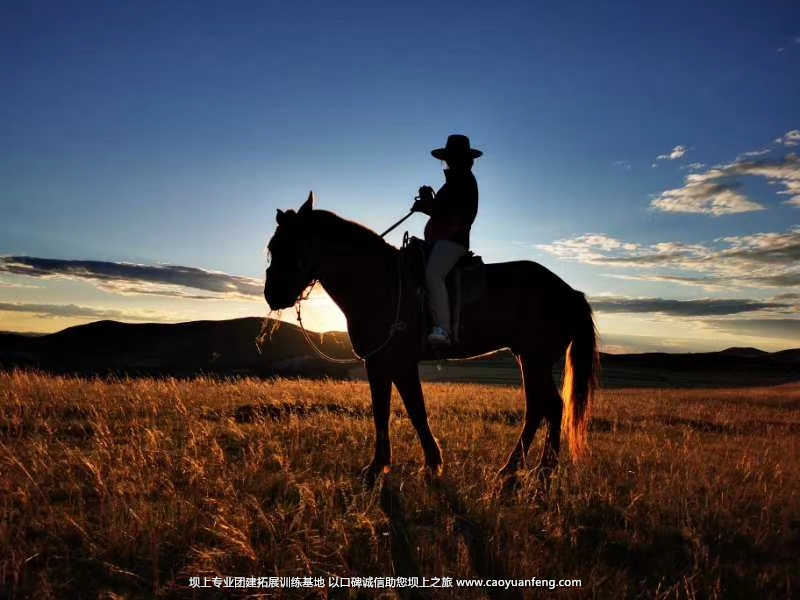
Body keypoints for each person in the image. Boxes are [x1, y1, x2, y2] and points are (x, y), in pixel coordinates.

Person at [412, 134, 482, 346]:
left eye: (453, 157)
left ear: (464, 159)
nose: (449, 161)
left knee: (434, 274)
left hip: (454, 241)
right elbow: (441, 210)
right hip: (441, 240)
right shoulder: (453, 182)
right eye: (448, 158)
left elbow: (452, 213)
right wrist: (427, 204)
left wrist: (427, 204)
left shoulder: (463, 181)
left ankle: (443, 328)